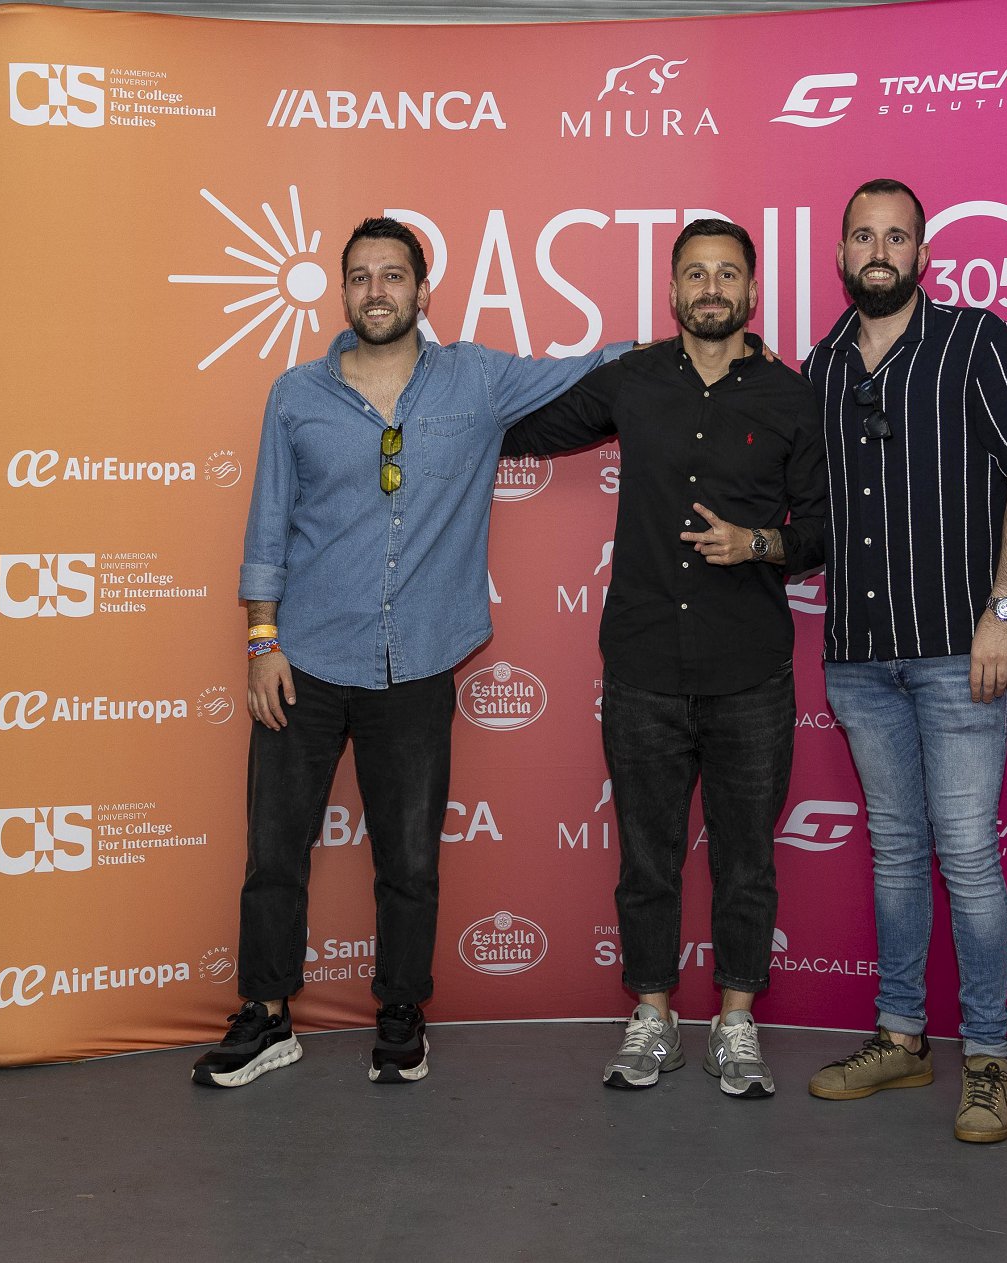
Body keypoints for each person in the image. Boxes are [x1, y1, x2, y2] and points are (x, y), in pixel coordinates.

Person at [191, 217, 631, 1088]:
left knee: (411, 859)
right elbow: (267, 524)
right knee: (274, 853)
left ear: (423, 292)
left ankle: (400, 1014)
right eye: (360, 276)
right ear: (342, 292)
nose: (377, 290)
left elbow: (592, 365)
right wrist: (262, 640)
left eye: (393, 275)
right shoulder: (296, 394)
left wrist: (696, 345)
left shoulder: (477, 377)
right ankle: (266, 1015)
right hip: (302, 661)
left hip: (419, 661)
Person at [502, 219, 826, 1098]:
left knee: (746, 862)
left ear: (751, 291)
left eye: (727, 273)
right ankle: (653, 1016)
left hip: (750, 673)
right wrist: (429, 413)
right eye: (695, 274)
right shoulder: (633, 379)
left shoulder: (792, 396)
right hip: (642, 667)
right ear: (674, 290)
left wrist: (756, 543)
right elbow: (526, 430)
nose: (711, 287)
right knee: (647, 861)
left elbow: (820, 530)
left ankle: (735, 1021)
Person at [802, 180, 1007, 1141]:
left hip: (963, 650)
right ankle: (902, 1038)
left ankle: (988, 1056)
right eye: (862, 236)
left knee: (965, 851)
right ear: (842, 253)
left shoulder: (975, 340)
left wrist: (1004, 611)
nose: (879, 250)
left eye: (897, 236)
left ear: (922, 254)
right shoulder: (821, 366)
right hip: (859, 657)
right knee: (898, 851)